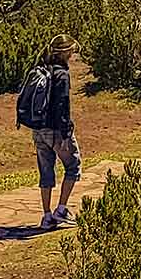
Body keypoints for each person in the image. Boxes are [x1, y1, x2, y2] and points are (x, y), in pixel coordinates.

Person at [33, 34, 82, 229]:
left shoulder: (41, 69)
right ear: (65, 52)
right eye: (71, 51)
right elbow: (62, 105)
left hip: (38, 129)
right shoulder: (61, 73)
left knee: (46, 172)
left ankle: (46, 216)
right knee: (73, 165)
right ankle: (61, 209)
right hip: (55, 130)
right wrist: (64, 134)